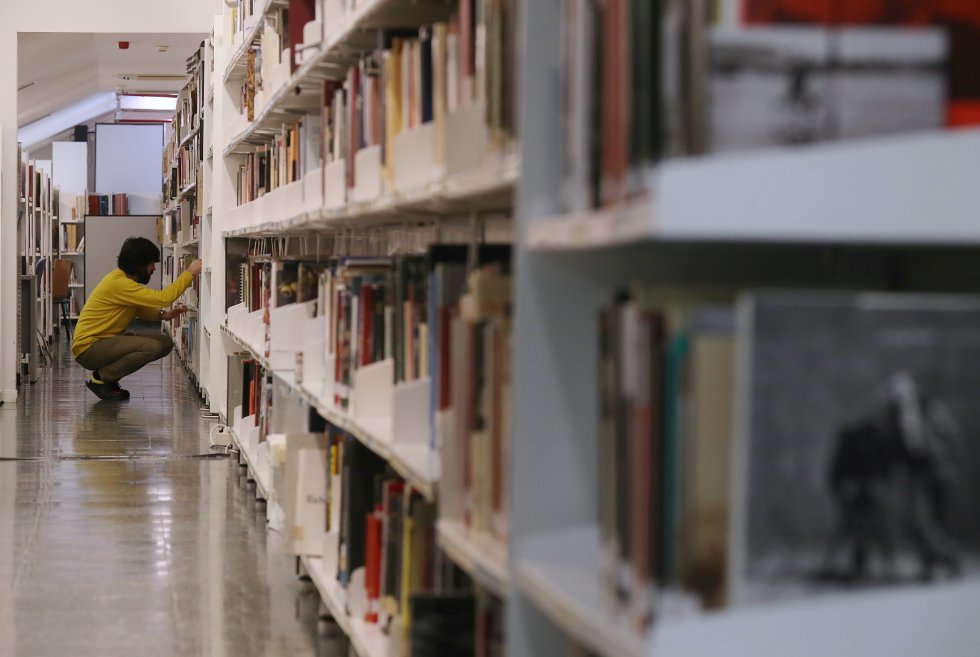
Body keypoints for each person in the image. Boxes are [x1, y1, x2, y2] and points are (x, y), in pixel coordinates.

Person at [71, 237, 202, 401]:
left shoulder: (121, 280)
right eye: (151, 263)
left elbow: (137, 308)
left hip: (104, 342)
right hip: (89, 348)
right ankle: (100, 378)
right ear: (139, 264)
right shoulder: (119, 283)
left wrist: (164, 315)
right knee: (152, 347)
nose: (154, 268)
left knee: (165, 343)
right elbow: (163, 298)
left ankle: (107, 379)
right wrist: (189, 273)